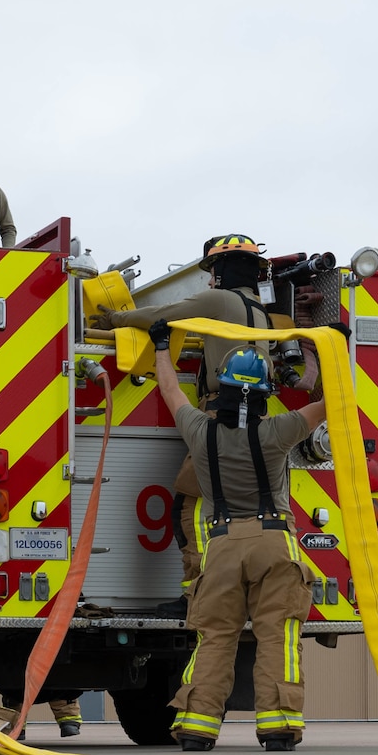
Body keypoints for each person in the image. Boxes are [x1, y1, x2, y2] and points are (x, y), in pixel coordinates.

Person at [142, 336, 328, 751]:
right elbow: (334, 404)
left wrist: (160, 347)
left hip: (220, 546)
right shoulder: (279, 430)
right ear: (263, 395)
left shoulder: (199, 431)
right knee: (278, 635)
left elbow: (170, 390)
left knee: (214, 638)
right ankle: (279, 727)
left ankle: (197, 727)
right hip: (274, 542)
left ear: (221, 389)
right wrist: (332, 352)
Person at [92, 235, 289, 605]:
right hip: (255, 419)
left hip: (221, 415)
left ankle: (197, 594)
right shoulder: (259, 311)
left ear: (224, 270)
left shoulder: (219, 300)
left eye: (214, 270)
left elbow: (160, 315)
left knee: (192, 509)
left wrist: (116, 319)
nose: (211, 279)